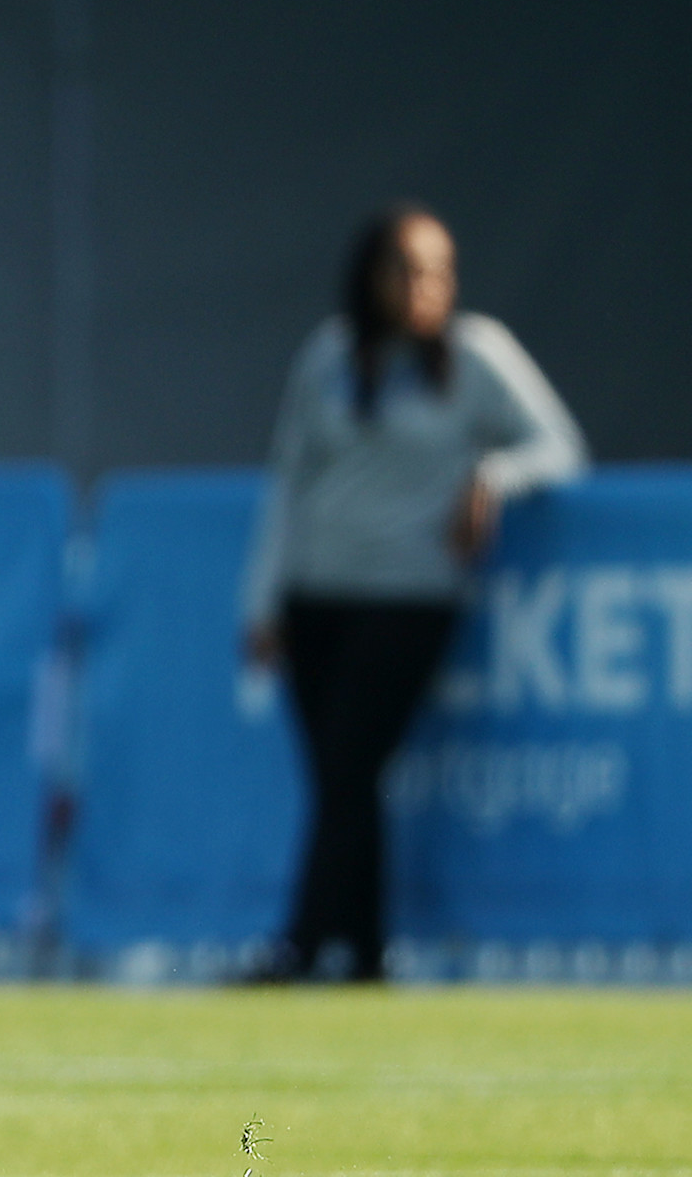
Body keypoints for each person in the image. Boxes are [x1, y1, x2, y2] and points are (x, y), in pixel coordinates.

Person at [241, 204, 585, 981]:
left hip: (409, 594)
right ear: (372, 275)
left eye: (438, 270)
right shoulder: (330, 356)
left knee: (352, 762)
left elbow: (559, 444)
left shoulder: (477, 354)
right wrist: (261, 603)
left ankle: (300, 944)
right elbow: (289, 482)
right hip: (316, 594)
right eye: (407, 267)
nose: (424, 286)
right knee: (341, 778)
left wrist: (493, 477)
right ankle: (364, 954)